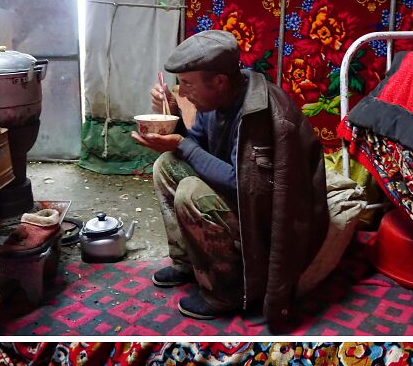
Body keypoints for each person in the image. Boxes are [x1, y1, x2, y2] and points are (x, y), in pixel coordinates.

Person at [131, 29, 329, 325]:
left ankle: (226, 293)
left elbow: (246, 187)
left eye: (187, 84)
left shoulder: (262, 114)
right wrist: (172, 118)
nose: (182, 92)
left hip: (266, 221)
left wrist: (182, 144)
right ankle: (187, 263)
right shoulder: (215, 100)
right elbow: (194, 146)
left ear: (219, 81)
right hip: (243, 199)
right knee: (166, 164)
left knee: (190, 190)